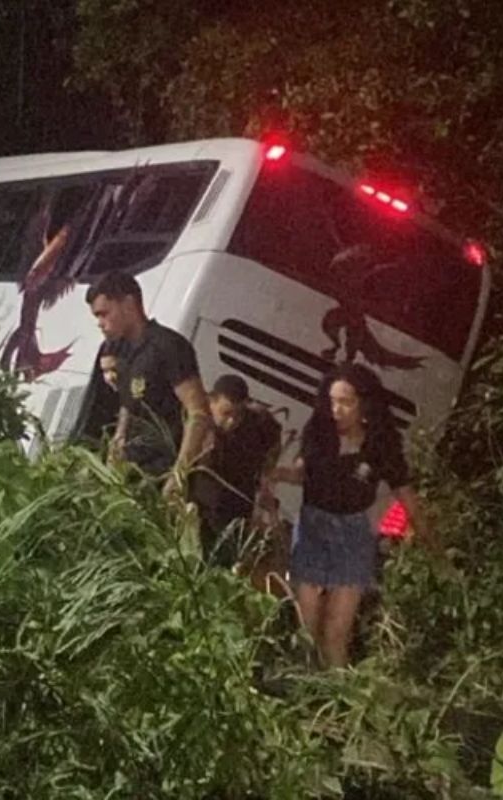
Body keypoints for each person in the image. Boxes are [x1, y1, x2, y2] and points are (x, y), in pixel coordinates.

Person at [270, 363, 432, 669]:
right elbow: (301, 472)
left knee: (336, 632)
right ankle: (306, 689)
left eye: (346, 402)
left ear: (364, 404)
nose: (337, 410)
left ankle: (339, 702)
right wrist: (275, 474)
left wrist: (432, 544)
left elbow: (407, 497)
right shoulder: (318, 432)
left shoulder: (380, 445)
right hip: (313, 528)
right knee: (307, 627)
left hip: (353, 534)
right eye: (332, 401)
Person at [85, 271, 210, 495]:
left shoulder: (168, 346)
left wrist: (178, 476)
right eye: (97, 317)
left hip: (162, 477)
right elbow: (129, 405)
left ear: (128, 304)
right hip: (131, 477)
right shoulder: (123, 352)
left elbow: (198, 413)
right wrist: (117, 446)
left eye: (104, 314)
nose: (100, 324)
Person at [193, 374, 282, 567]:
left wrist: (267, 475)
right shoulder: (199, 422)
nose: (232, 421)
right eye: (226, 413)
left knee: (227, 563)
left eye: (238, 414)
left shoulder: (259, 423)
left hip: (238, 504)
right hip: (203, 506)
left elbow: (275, 443)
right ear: (212, 402)